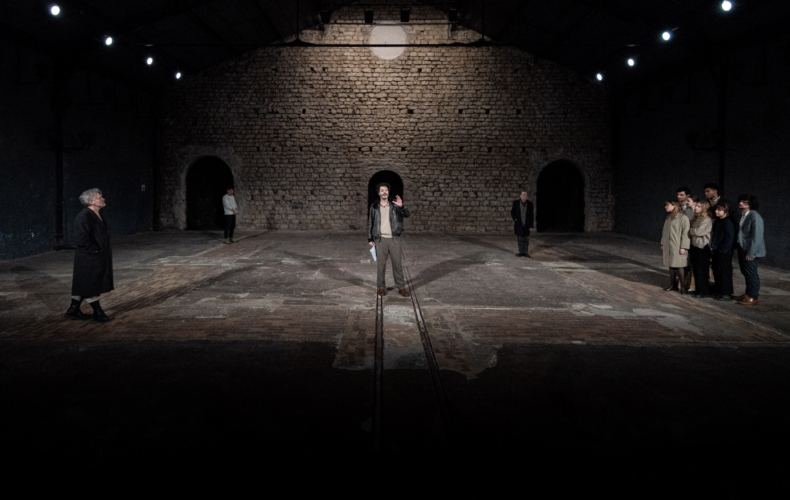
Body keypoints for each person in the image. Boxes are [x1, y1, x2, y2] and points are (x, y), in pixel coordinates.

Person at [64, 188, 114, 322]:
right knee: (91, 283)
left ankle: (73, 310)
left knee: (84, 283)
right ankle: (98, 311)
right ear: (91, 201)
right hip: (88, 257)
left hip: (97, 256)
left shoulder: (100, 214)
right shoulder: (84, 216)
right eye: (99, 197)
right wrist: (95, 250)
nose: (103, 199)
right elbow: (81, 238)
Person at [368, 183, 411, 297]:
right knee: (381, 265)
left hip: (394, 239)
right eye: (382, 190)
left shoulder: (394, 205)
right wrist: (370, 238)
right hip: (380, 240)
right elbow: (370, 223)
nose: (384, 192)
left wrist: (401, 206)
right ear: (378, 193)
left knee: (397, 264)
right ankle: (381, 287)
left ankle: (401, 287)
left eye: (386, 190)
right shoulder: (374, 206)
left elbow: (407, 214)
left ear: (388, 192)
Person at [736, 194, 766, 305]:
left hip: (750, 249)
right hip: (743, 247)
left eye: (744, 201)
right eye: (740, 201)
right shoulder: (744, 215)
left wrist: (751, 252)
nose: (740, 203)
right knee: (745, 272)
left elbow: (757, 236)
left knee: (751, 272)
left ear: (750, 203)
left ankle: (753, 296)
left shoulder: (754, 216)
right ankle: (748, 294)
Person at [661, 201, 690, 294]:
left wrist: (684, 246)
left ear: (674, 206)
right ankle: (672, 284)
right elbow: (665, 232)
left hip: (677, 245)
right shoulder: (669, 217)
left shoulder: (683, 218)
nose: (665, 207)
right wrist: (663, 243)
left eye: (667, 205)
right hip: (669, 245)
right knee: (671, 264)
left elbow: (685, 233)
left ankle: (682, 286)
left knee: (679, 265)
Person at [710, 203, 735, 301]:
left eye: (719, 210)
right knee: (718, 272)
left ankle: (726, 293)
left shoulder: (727, 223)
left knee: (724, 273)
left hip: (723, 253)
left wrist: (722, 250)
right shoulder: (719, 222)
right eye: (716, 210)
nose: (716, 211)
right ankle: (720, 291)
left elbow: (729, 239)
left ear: (726, 212)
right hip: (717, 251)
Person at [688, 198, 713, 298]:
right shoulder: (696, 218)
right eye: (696, 206)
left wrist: (691, 230)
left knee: (702, 270)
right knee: (696, 269)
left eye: (699, 207)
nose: (696, 208)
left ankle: (703, 291)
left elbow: (698, 232)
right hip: (694, 246)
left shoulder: (706, 219)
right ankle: (698, 289)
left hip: (702, 247)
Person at [511, 190, 534, 257]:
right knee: (520, 239)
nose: (525, 196)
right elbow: (512, 212)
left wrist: (531, 225)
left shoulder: (530, 204)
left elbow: (531, 215)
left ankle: (526, 252)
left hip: (526, 224)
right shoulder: (516, 203)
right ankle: (521, 252)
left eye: (526, 195)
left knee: (526, 239)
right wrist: (515, 219)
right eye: (524, 195)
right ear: (520, 196)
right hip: (519, 224)